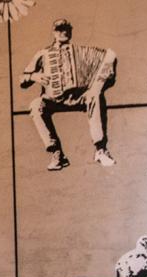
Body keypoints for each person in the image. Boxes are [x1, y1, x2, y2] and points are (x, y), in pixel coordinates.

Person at [21, 18, 118, 171]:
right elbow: (22, 79)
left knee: (95, 96)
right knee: (36, 105)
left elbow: (108, 66)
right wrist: (34, 76)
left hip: (78, 97)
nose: (64, 32)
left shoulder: (81, 51)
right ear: (54, 33)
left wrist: (102, 81)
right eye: (60, 29)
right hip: (53, 99)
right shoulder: (44, 54)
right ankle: (56, 153)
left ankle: (100, 150)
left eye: (67, 29)